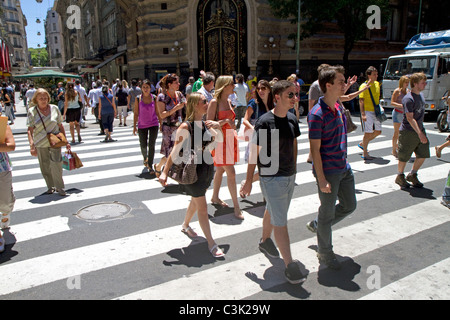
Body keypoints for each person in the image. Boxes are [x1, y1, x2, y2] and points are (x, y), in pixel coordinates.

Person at [241, 80, 306, 284]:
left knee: (273, 208)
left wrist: (294, 170)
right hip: (271, 177)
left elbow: (294, 144)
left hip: (288, 175)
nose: (295, 98)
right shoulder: (264, 122)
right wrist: (249, 180)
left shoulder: (293, 119)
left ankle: (264, 240)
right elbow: (254, 152)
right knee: (281, 222)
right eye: (290, 95)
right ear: (277, 97)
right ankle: (290, 265)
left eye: (295, 95)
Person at [159, 92, 225, 258]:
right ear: (195, 104)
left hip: (205, 169)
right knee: (202, 207)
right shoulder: (185, 127)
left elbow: (219, 141)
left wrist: (217, 127)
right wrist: (164, 172)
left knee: (196, 201)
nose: (207, 103)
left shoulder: (204, 124)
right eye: (204, 101)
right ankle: (211, 243)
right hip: (192, 171)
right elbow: (174, 151)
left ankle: (186, 225)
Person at [307, 66, 357, 270]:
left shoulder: (337, 106)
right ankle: (325, 253)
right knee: (327, 215)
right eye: (341, 82)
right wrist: (321, 178)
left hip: (343, 167)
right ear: (328, 86)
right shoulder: (317, 114)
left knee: (350, 205)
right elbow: (315, 151)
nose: (344, 85)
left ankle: (319, 226)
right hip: (328, 171)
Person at [207, 75, 243, 220]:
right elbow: (208, 123)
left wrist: (232, 124)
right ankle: (237, 206)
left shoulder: (228, 101)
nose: (234, 85)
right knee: (231, 173)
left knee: (221, 170)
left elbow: (229, 120)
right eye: (231, 84)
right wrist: (226, 121)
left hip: (230, 139)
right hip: (220, 140)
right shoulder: (214, 102)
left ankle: (215, 197)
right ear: (224, 85)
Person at [27, 88, 70, 196]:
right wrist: (31, 144)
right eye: (41, 98)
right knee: (44, 165)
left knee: (57, 163)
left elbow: (60, 125)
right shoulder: (32, 111)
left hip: (55, 141)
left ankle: (60, 187)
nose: (43, 100)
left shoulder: (54, 108)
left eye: (45, 98)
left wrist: (66, 141)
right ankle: (50, 186)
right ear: (36, 99)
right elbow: (30, 129)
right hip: (40, 142)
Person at [395, 72, 430, 189]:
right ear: (415, 84)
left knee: (423, 153)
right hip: (408, 131)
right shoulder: (408, 99)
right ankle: (400, 176)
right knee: (404, 155)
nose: (425, 84)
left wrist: (421, 131)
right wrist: (419, 133)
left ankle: (412, 174)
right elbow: (410, 118)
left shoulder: (421, 96)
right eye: (422, 82)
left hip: (420, 129)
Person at [239, 79, 274, 194]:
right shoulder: (254, 103)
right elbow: (245, 120)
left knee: (268, 168)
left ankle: (247, 182)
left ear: (269, 89)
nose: (260, 91)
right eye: (258, 88)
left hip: (270, 140)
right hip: (258, 139)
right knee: (262, 168)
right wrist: (255, 129)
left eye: (263, 88)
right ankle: (264, 194)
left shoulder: (273, 104)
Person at [154, 73, 186, 176]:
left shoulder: (180, 94)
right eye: (176, 82)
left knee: (179, 151)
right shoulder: (162, 97)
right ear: (169, 84)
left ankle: (160, 167)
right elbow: (162, 115)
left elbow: (185, 104)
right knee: (170, 153)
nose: (178, 84)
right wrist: (176, 108)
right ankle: (163, 171)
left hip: (180, 127)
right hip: (168, 127)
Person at [133, 80, 159, 174]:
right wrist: (134, 126)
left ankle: (150, 165)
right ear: (141, 88)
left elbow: (157, 111)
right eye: (144, 87)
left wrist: (160, 123)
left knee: (151, 145)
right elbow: (136, 113)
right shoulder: (138, 98)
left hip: (153, 124)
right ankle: (145, 158)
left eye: (147, 87)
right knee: (143, 145)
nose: (145, 89)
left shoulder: (154, 98)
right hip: (142, 125)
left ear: (150, 88)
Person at [358, 66, 382, 160]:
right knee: (368, 132)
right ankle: (365, 152)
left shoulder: (377, 84)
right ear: (368, 75)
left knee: (378, 131)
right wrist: (363, 114)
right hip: (367, 111)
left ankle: (363, 143)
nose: (376, 76)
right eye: (374, 74)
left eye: (376, 74)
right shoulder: (363, 86)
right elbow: (361, 101)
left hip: (376, 111)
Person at [0, 123, 15, 253]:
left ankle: (5, 212)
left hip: (2, 169)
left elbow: (11, 146)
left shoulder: (2, 124)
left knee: (5, 202)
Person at [390, 76, 410, 158]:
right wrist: (401, 105)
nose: (407, 84)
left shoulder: (408, 91)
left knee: (404, 133)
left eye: (408, 82)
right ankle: (394, 150)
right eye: (406, 82)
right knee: (396, 132)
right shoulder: (397, 91)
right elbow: (392, 103)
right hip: (397, 113)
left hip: (404, 114)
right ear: (402, 83)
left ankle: (400, 147)